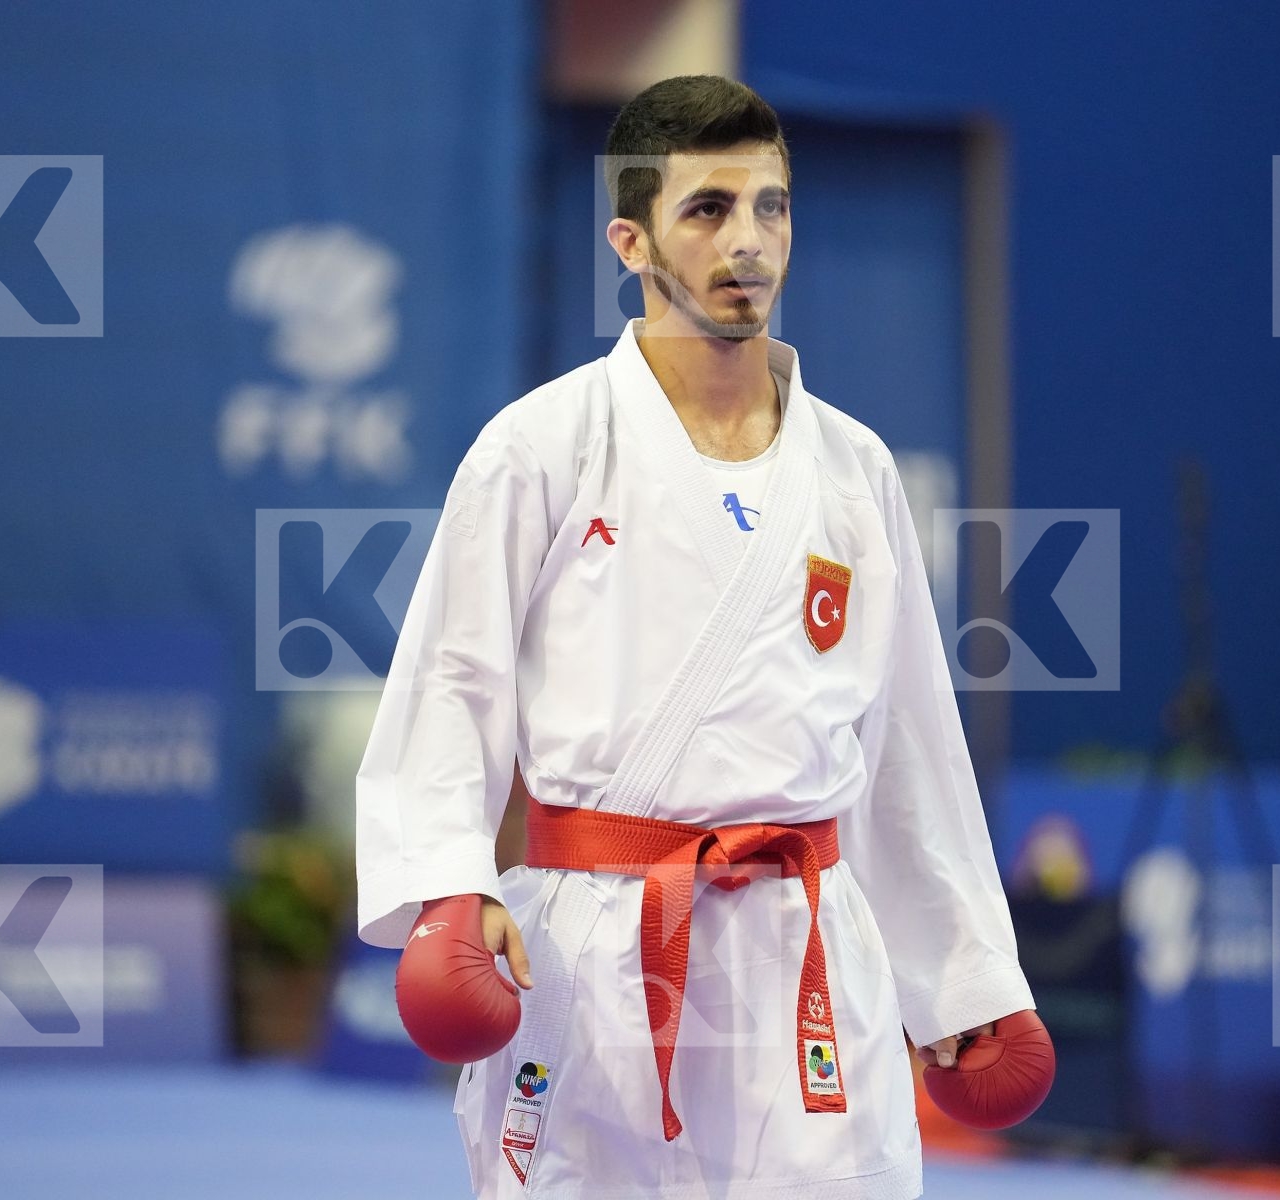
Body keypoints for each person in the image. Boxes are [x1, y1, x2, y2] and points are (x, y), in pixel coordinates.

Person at [356, 75, 1041, 1199]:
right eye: (709, 210)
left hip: (805, 948)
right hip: (593, 949)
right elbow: (451, 680)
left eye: (771, 207)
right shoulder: (542, 446)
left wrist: (961, 978)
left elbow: (910, 741)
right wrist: (449, 882)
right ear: (631, 240)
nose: (750, 244)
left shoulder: (853, 470)